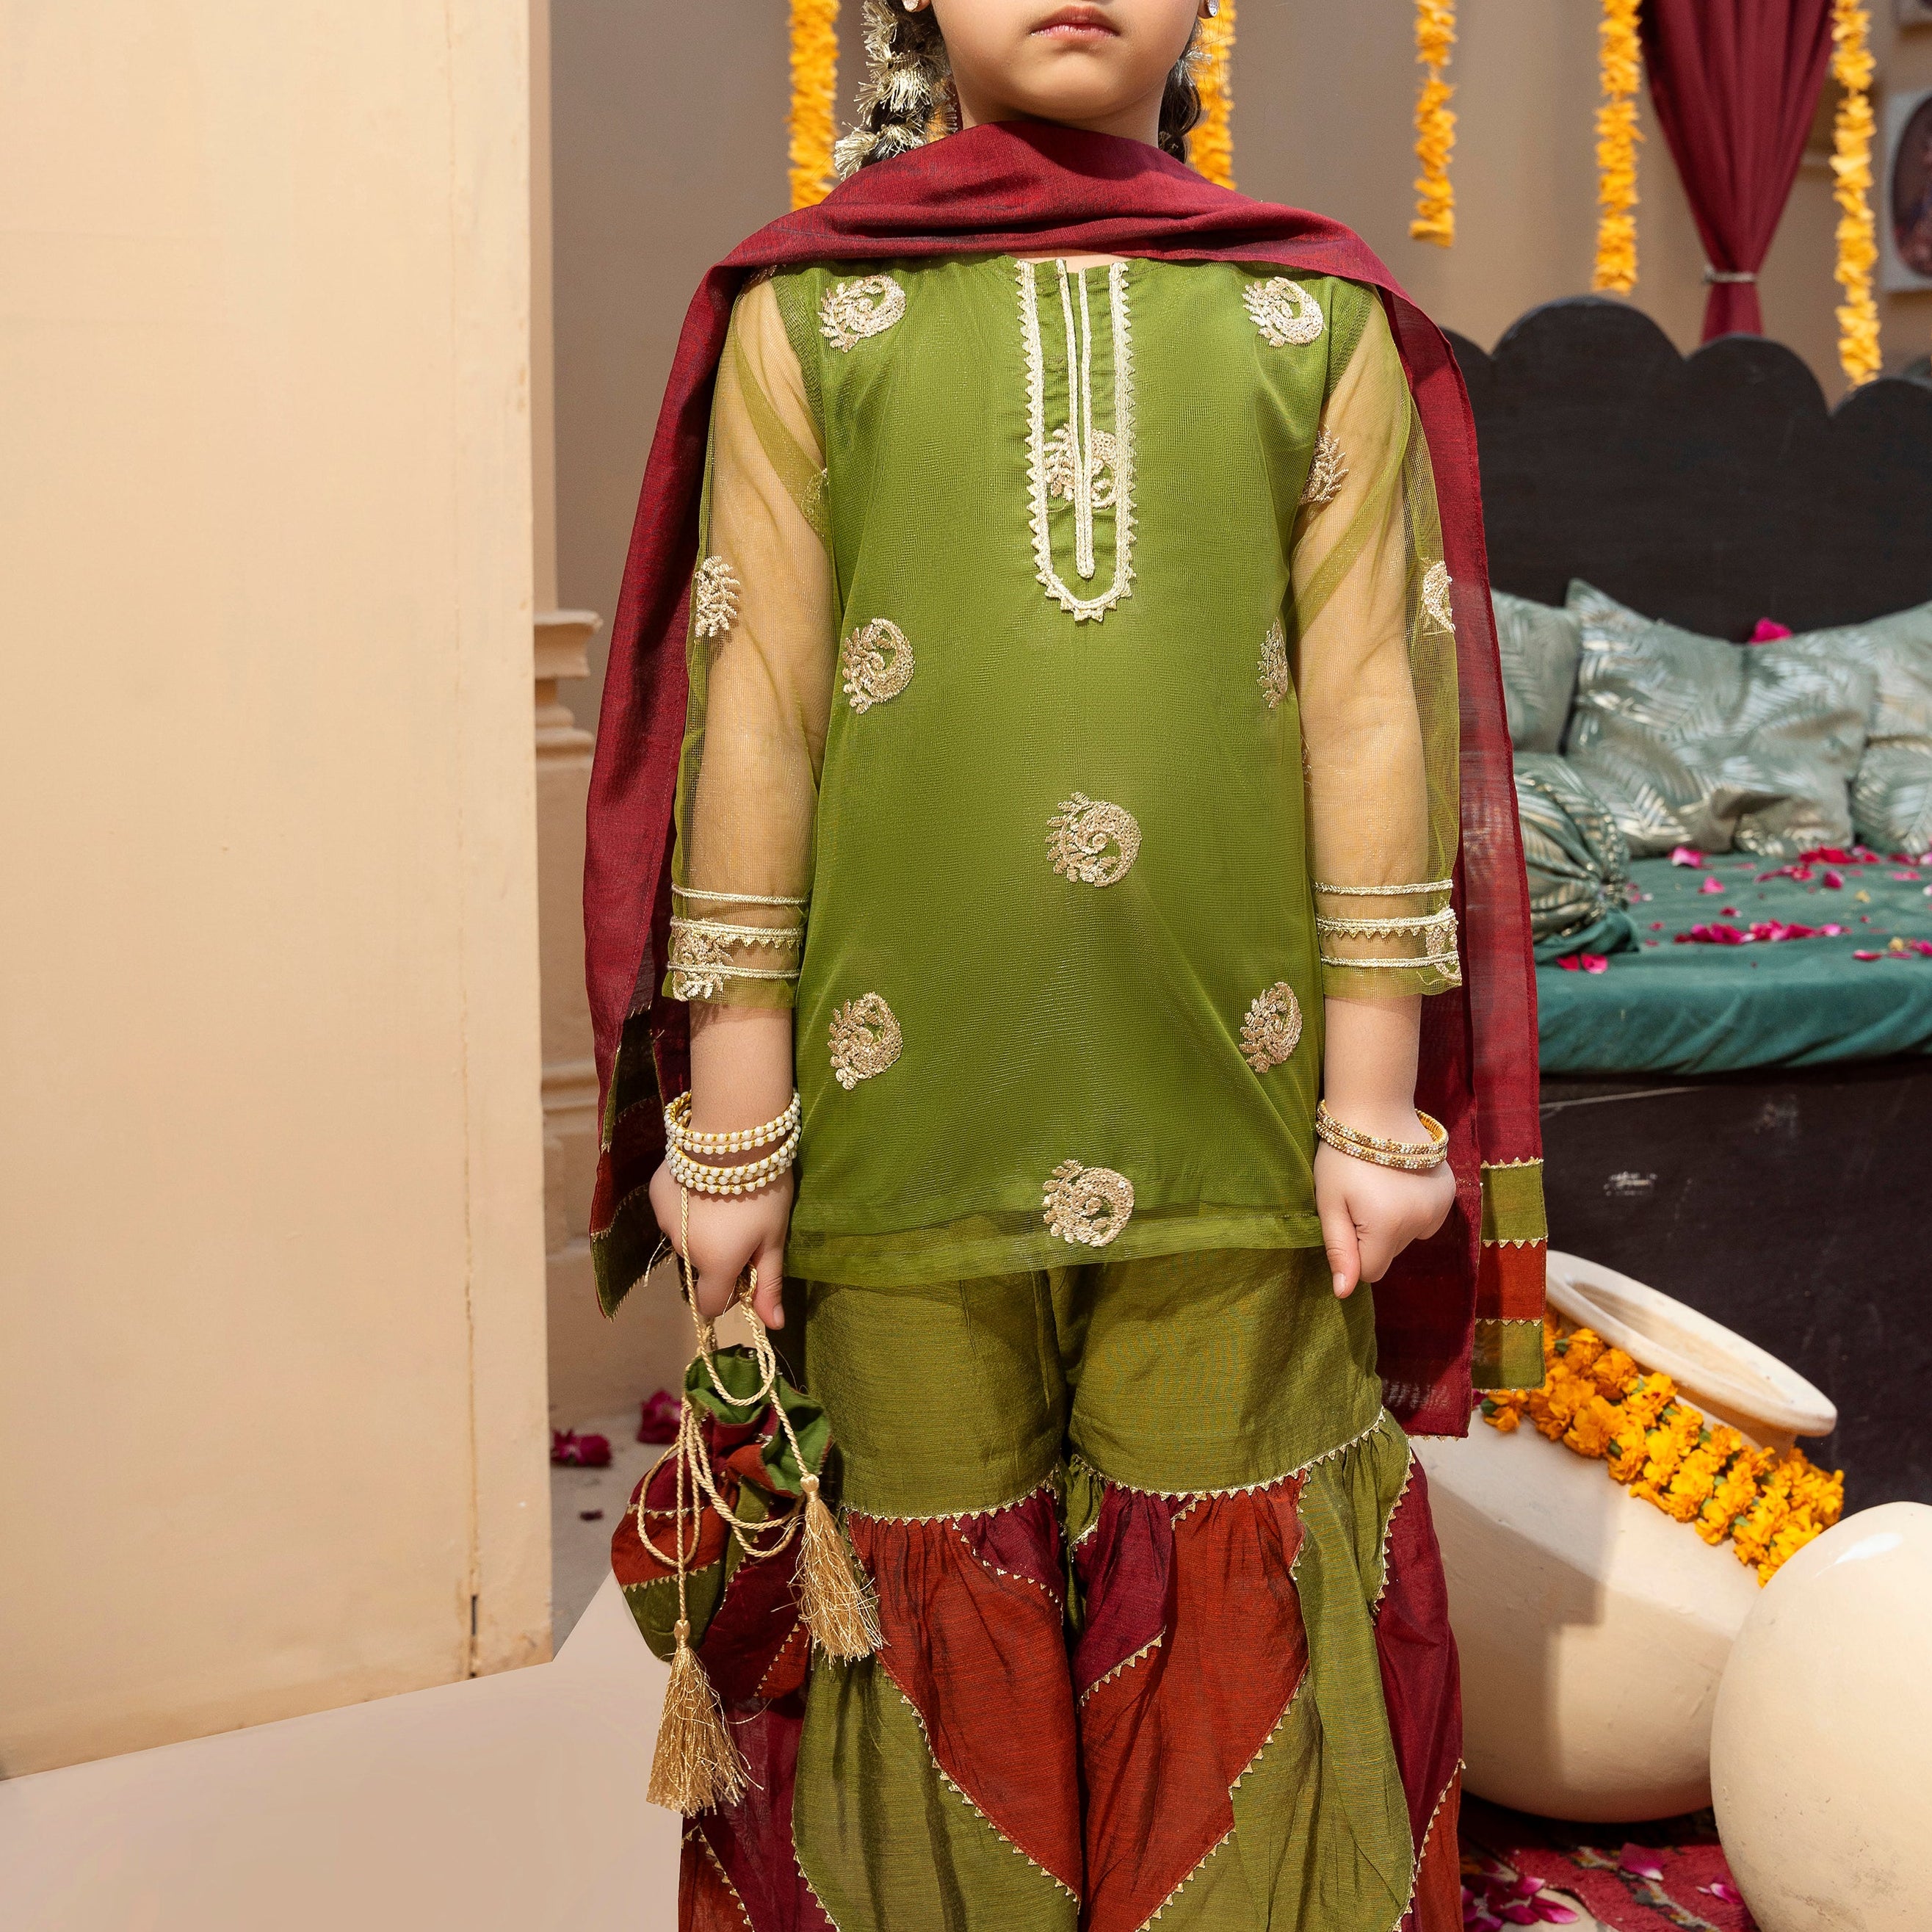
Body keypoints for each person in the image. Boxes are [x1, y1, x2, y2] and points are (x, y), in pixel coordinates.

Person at [585, 3, 1546, 1927]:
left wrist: (1376, 1110)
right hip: (891, 1131)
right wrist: (736, 1132)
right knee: (914, 1596)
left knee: (1240, 1585)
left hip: (1242, 1124)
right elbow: (755, 711)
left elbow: (1374, 705)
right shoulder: (807, 313)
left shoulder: (1311, 313)